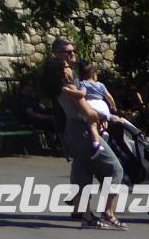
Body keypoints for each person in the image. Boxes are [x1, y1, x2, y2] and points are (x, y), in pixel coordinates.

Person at [44, 41, 126, 230]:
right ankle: (108, 211)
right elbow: (88, 112)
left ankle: (85, 214)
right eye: (68, 53)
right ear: (57, 55)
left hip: (73, 128)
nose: (73, 55)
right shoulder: (67, 85)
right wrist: (106, 117)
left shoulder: (68, 81)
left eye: (74, 51)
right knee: (115, 169)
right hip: (80, 128)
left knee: (83, 172)